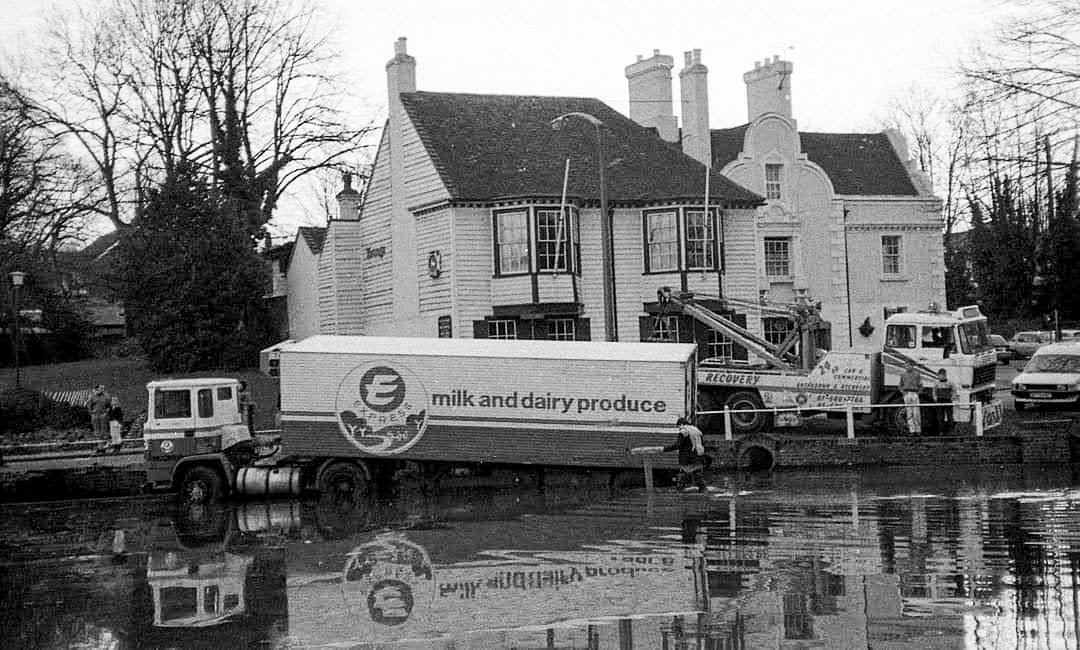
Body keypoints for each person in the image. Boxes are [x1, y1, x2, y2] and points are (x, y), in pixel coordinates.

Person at [663, 417, 709, 492]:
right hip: (698, 455)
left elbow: (678, 445)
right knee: (697, 473)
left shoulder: (684, 431)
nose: (679, 429)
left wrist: (665, 449)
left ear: (681, 424)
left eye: (678, 426)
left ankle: (680, 488)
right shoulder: (696, 430)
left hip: (687, 457)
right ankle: (703, 489)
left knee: (683, 472)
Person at [899, 361, 923, 435]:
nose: (907, 367)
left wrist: (918, 392)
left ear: (912, 366)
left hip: (915, 393)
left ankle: (918, 430)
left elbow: (921, 384)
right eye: (906, 366)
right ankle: (912, 431)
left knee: (916, 413)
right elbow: (900, 385)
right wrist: (903, 393)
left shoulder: (917, 374)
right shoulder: (903, 374)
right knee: (909, 413)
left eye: (909, 365)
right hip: (907, 393)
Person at [931, 368, 954, 435]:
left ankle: (951, 431)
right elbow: (934, 391)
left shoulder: (950, 382)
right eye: (939, 375)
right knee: (940, 416)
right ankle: (941, 431)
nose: (940, 376)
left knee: (950, 416)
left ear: (945, 375)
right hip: (940, 400)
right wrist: (935, 397)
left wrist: (952, 397)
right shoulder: (936, 382)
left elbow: (954, 391)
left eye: (941, 375)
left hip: (948, 400)